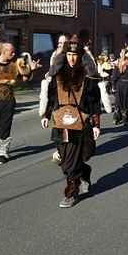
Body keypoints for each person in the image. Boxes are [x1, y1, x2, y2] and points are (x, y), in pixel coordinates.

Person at [42, 41, 101, 208]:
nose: (72, 58)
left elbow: (95, 102)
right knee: (64, 158)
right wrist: (46, 115)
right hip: (61, 122)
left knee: (71, 161)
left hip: (81, 123)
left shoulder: (88, 77)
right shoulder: (57, 74)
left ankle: (71, 193)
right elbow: (51, 97)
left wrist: (96, 124)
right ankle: (84, 172)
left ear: (80, 56)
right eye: (69, 55)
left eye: (75, 55)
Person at [0, 41, 40, 163]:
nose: (13, 53)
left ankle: (2, 151)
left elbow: (25, 78)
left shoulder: (15, 65)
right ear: (3, 51)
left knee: (6, 125)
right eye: (11, 52)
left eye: (14, 52)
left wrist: (32, 70)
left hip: (8, 100)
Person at [111, 47, 128, 125]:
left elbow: (115, 76)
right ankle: (125, 118)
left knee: (119, 101)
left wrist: (113, 85)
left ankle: (117, 118)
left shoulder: (117, 63)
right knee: (126, 101)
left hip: (120, 84)